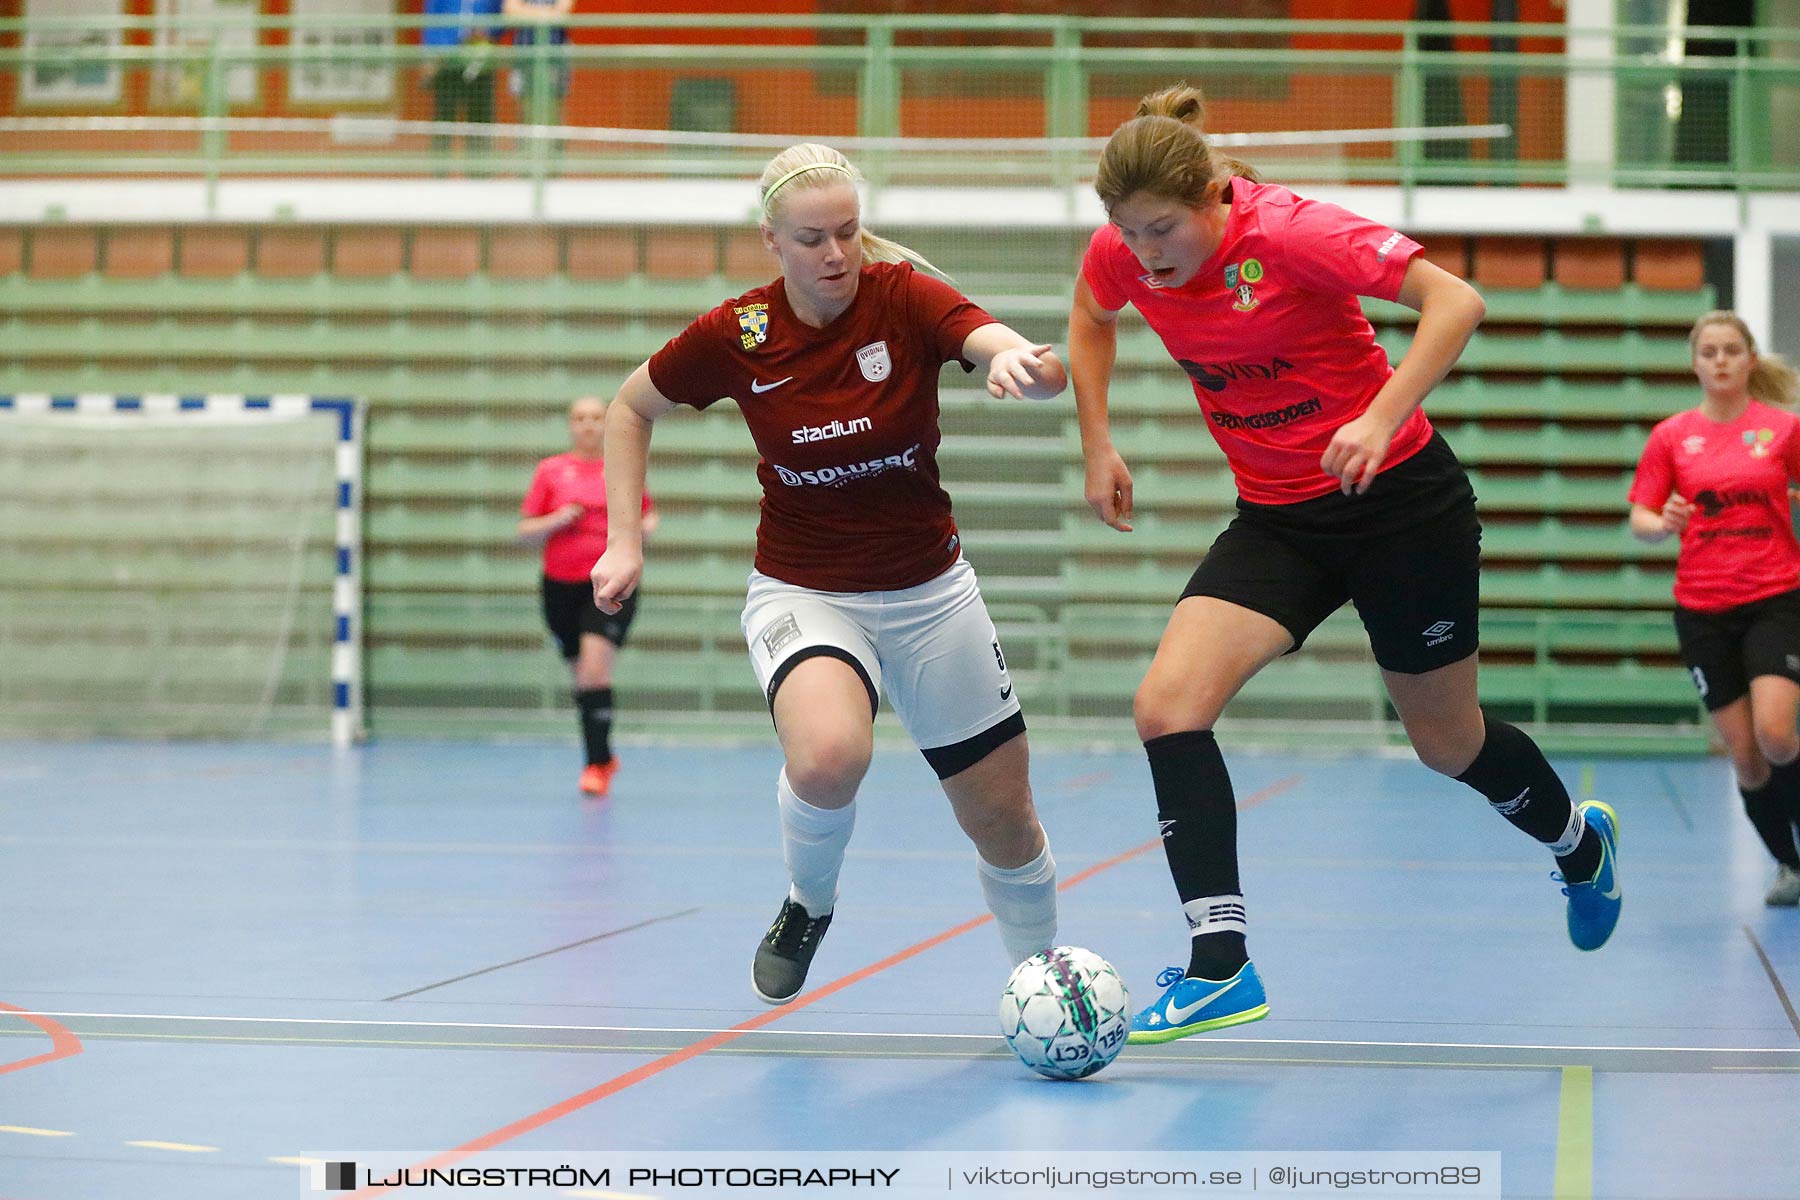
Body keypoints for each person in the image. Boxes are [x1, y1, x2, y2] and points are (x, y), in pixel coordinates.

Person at [1067, 84, 1622, 1045]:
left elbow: (1457, 300)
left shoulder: (1292, 233)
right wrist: (1097, 443)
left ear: (1213, 198)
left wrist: (1380, 413)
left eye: (1163, 228)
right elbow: (1090, 312)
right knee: (1167, 706)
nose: (1147, 252)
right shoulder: (1126, 252)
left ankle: (1578, 842)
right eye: (1129, 231)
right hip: (1280, 520)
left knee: (1449, 745)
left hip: (1402, 507)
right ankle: (1220, 966)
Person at [590, 143, 1068, 1005]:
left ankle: (1041, 983)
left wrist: (1025, 367)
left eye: (848, 232)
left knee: (1003, 820)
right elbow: (630, 408)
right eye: (813, 238)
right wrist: (625, 540)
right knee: (827, 758)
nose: (837, 254)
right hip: (806, 591)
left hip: (930, 593)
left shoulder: (903, 298)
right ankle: (808, 903)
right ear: (772, 239)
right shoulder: (739, 333)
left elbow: (993, 341)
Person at [1629, 311, 1800, 906]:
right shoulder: (1672, 436)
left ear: (1751, 359)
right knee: (1748, 761)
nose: (1721, 360)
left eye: (1732, 350)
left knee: (1777, 736)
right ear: (1695, 362)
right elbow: (1641, 518)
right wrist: (1662, 523)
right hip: (1702, 608)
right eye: (1710, 351)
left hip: (1775, 597)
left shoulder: (1782, 429)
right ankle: (1789, 864)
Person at [519, 395, 658, 798]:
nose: (589, 425)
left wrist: (641, 531)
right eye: (580, 418)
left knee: (596, 671)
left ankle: (596, 764)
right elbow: (524, 530)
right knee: (582, 678)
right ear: (571, 425)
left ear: (605, 423)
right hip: (558, 587)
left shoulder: (618, 468)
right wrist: (555, 520)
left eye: (596, 418)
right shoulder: (551, 471)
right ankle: (602, 755)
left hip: (609, 583)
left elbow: (649, 513)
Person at [421, 0, 502, 169]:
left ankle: (479, 171)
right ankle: (439, 170)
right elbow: (431, 18)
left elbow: (500, 16)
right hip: (447, 58)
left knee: (480, 116)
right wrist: (432, 56)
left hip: (479, 58)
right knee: (444, 115)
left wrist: (487, 30)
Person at [503, 0, 573, 135]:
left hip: (555, 53)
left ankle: (554, 153)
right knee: (525, 109)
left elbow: (562, 13)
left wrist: (526, 12)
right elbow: (510, 11)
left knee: (553, 109)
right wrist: (547, 14)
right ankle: (526, 152)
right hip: (524, 52)